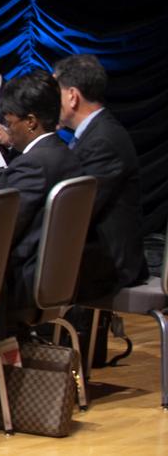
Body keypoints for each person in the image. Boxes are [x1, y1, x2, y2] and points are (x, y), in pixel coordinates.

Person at [54, 54, 148, 301]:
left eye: (56, 93)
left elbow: (79, 209)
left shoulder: (103, 140)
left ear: (72, 96)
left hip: (111, 261)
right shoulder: (93, 134)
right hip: (95, 251)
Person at [0, 70, 82, 312]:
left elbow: (0, 233)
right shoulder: (67, 155)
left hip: (22, 280)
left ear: (31, 122)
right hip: (58, 278)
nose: (7, 130)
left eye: (10, 123)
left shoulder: (30, 165)